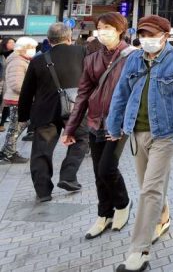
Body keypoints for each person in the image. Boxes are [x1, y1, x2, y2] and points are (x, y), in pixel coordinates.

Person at [106, 15, 173, 272]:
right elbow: (121, 93)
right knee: (148, 185)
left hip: (166, 135)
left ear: (166, 36)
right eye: (143, 35)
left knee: (149, 190)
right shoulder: (133, 59)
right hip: (137, 131)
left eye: (152, 35)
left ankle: (139, 251)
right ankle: (163, 217)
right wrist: (114, 126)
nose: (147, 40)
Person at [62, 13, 135, 239]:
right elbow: (83, 94)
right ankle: (104, 214)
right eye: (101, 27)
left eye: (109, 27)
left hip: (118, 123)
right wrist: (70, 128)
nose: (103, 31)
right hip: (95, 120)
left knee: (107, 168)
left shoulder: (132, 57)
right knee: (97, 172)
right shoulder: (92, 58)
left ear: (120, 30)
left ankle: (123, 204)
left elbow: (136, 92)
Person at [18, 23, 88, 200]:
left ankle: (43, 192)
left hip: (45, 111)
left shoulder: (38, 60)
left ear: (49, 40)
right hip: (75, 108)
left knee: (42, 150)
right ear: (69, 37)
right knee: (81, 139)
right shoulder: (82, 53)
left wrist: (23, 116)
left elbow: (27, 91)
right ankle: (68, 176)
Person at [0, 37, 37, 163]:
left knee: (17, 126)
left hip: (20, 99)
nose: (33, 50)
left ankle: (7, 151)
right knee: (16, 127)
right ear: (22, 49)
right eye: (30, 48)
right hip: (18, 100)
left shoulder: (22, 60)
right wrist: (31, 93)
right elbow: (17, 84)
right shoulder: (18, 61)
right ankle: (8, 153)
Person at [0, 37, 16, 132]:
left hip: (8, 81)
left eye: (14, 42)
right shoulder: (2, 55)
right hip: (1, 80)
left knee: (5, 102)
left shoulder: (14, 55)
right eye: (11, 42)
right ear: (5, 43)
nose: (13, 44)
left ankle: (1, 123)